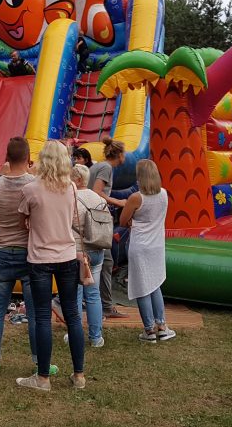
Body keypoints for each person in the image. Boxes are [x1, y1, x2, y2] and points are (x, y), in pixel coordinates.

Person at [16, 140, 86, 391]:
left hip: (40, 258)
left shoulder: (31, 188)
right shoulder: (71, 188)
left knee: (43, 316)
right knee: (73, 315)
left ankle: (43, 378)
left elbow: (23, 216)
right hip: (66, 255)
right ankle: (79, 376)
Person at [0, 137, 45, 377]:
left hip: (2, 251)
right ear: (29, 158)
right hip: (29, 252)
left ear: (7, 157)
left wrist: (0, 173)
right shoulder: (34, 183)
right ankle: (39, 359)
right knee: (34, 311)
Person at [121, 159, 175, 342]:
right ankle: (162, 326)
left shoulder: (136, 197)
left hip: (139, 245)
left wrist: (132, 220)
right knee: (155, 284)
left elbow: (122, 221)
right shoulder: (164, 194)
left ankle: (148, 329)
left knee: (141, 287)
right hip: (157, 245)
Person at [65, 164, 106, 348]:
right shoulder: (99, 199)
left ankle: (74, 334)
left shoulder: (71, 198)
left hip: (78, 251)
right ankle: (96, 337)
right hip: (97, 249)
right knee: (93, 294)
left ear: (78, 179)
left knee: (75, 294)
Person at [89, 137, 128, 320]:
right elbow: (97, 192)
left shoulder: (98, 166)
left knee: (103, 261)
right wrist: (118, 202)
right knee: (106, 261)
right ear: (119, 154)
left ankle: (102, 304)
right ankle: (105, 306)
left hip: (91, 219)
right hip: (97, 220)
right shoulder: (106, 168)